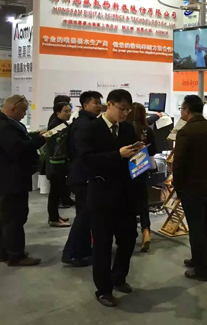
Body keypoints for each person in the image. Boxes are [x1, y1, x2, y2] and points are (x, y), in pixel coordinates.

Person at [77, 89, 144, 307]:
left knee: (128, 240)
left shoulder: (127, 129)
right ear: (109, 104)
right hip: (101, 196)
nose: (124, 113)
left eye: (128, 110)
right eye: (121, 108)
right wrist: (117, 155)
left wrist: (139, 154)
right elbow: (85, 161)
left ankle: (118, 277)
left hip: (125, 196)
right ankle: (103, 289)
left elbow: (132, 161)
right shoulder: (90, 129)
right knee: (103, 245)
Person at [0, 95, 46, 266]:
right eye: (23, 111)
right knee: (14, 218)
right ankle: (16, 255)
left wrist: (34, 136)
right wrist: (41, 140)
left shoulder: (4, 123)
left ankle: (3, 251)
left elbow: (18, 140)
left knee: (4, 216)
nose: (24, 114)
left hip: (6, 178)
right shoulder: (3, 126)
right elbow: (18, 148)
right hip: (8, 179)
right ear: (13, 109)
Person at [172, 95, 207, 281]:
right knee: (206, 224)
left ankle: (201, 270)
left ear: (187, 110)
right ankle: (199, 259)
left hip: (192, 187)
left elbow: (178, 164)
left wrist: (178, 187)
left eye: (182, 109)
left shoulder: (185, 132)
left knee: (195, 228)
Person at [62, 90, 102, 267]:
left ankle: (83, 251)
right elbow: (82, 154)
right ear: (85, 105)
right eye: (95, 103)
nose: (99, 106)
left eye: (100, 102)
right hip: (82, 176)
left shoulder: (87, 122)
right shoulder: (84, 125)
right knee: (84, 216)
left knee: (86, 215)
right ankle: (72, 253)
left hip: (82, 175)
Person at [127, 102, 157, 253]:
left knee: (127, 202)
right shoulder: (147, 130)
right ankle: (146, 231)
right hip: (142, 168)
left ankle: (130, 234)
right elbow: (153, 150)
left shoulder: (124, 128)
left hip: (126, 169)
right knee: (143, 201)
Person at [46, 102, 72, 228]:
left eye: (69, 111)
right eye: (65, 111)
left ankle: (55, 215)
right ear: (58, 113)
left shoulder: (63, 124)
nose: (69, 113)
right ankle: (53, 218)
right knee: (54, 193)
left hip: (60, 163)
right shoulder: (57, 126)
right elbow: (49, 140)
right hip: (55, 164)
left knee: (57, 192)